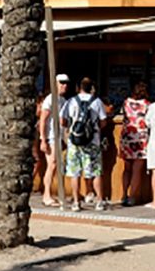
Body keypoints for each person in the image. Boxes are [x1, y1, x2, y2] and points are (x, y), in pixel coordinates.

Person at [60, 77, 108, 212]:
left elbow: (62, 120)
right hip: (93, 141)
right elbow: (104, 121)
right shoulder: (97, 102)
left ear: (78, 87)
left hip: (74, 142)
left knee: (74, 173)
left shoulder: (71, 101)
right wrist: (94, 129)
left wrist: (71, 127)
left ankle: (76, 202)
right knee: (96, 172)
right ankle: (99, 201)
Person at [39, 74, 70, 207]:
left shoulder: (63, 100)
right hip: (51, 136)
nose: (64, 86)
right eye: (61, 83)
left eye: (66, 83)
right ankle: (46, 194)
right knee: (51, 165)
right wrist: (43, 139)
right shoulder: (50, 99)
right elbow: (43, 119)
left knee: (57, 165)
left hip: (59, 137)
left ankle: (57, 193)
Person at [120, 82, 150, 207]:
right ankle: (132, 197)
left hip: (127, 137)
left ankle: (123, 195)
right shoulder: (147, 105)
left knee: (127, 169)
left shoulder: (126, 102)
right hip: (141, 139)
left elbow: (123, 116)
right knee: (137, 170)